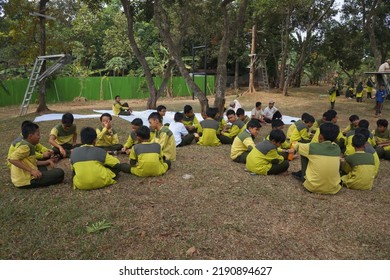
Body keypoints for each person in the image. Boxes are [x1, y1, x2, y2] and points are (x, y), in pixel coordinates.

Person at [8, 122, 64, 188]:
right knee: (60, 173)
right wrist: (31, 171)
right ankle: (40, 176)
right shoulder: (26, 147)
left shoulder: (28, 143)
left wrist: (47, 161)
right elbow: (12, 159)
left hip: (21, 178)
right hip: (25, 181)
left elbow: (33, 161)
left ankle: (42, 174)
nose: (39, 137)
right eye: (38, 135)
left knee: (44, 167)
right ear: (30, 136)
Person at [292, 122, 342, 195]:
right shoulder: (337, 148)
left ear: (320, 136)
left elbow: (296, 145)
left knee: (303, 153)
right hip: (333, 188)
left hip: (313, 187)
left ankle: (304, 176)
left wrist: (294, 146)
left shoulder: (311, 147)